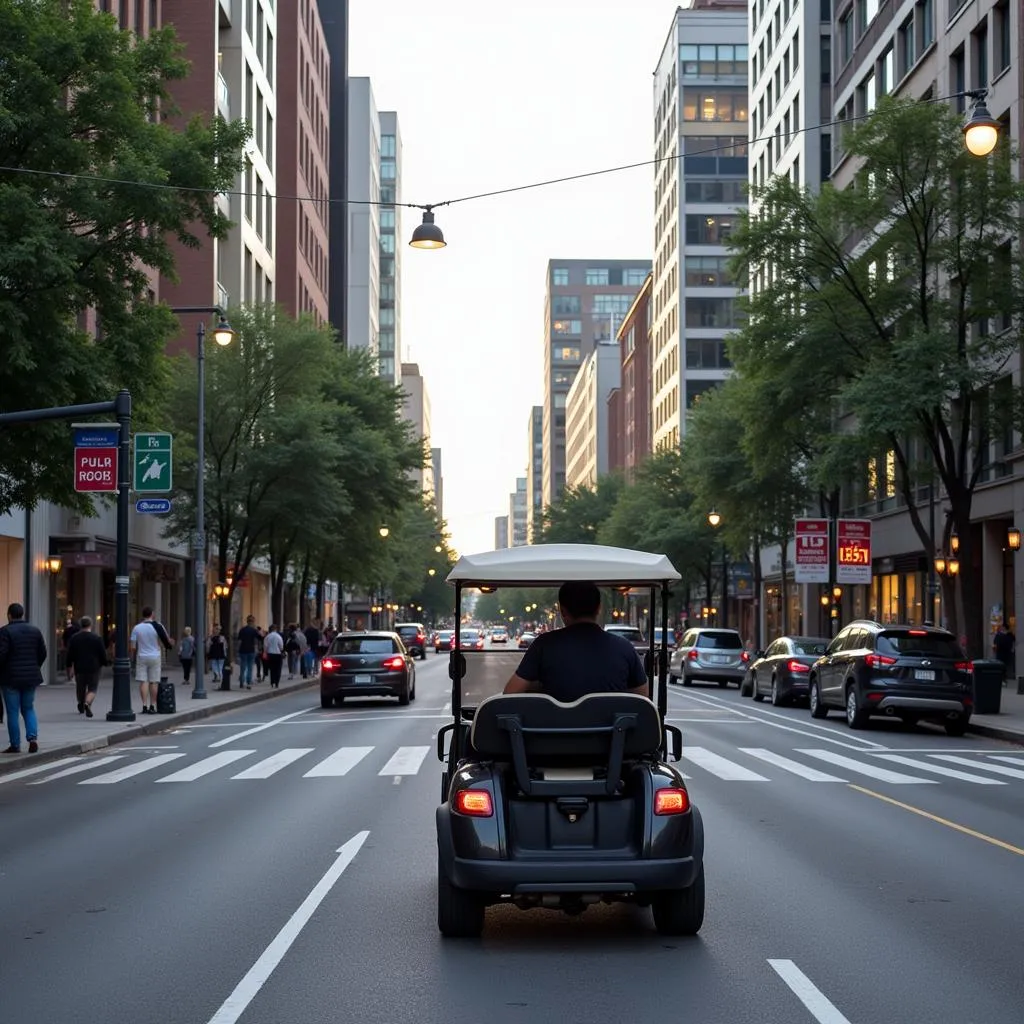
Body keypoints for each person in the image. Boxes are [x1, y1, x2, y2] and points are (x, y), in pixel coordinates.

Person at [504, 582, 649, 702]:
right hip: (612, 736)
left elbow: (509, 694)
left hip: (553, 736)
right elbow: (642, 699)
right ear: (599, 608)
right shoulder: (624, 647)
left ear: (562, 611)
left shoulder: (543, 645)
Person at [0, 602, 48, 753]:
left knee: (12, 712)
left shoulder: (4, 632)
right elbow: (43, 653)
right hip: (30, 677)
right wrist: (34, 666)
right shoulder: (34, 631)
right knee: (28, 708)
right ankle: (32, 738)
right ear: (22, 614)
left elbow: (1, 655)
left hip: (10, 678)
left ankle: (15, 744)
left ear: (9, 615)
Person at [129, 606, 173, 715]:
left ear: (143, 615)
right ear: (152, 614)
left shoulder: (136, 628)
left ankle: (144, 705)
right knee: (154, 681)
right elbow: (166, 640)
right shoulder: (158, 626)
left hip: (142, 656)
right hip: (155, 656)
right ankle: (153, 705)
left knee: (143, 681)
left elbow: (133, 647)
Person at [66, 615, 108, 717]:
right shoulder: (97, 638)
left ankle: (81, 702)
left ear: (81, 625)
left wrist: (69, 667)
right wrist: (104, 662)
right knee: (92, 688)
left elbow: (70, 655)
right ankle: (87, 703)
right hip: (94, 667)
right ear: (91, 625)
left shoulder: (74, 638)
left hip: (79, 667)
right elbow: (102, 653)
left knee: (80, 687)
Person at [237, 615, 261, 689]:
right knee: (250, 667)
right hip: (251, 650)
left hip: (243, 650)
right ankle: (248, 683)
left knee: (243, 667)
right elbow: (259, 638)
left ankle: (241, 682)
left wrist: (237, 650)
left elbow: (239, 641)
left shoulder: (242, 630)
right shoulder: (254, 631)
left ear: (247, 621)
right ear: (253, 622)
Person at [992, 620, 1016, 684]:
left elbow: (1013, 641)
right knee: (1000, 665)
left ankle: (1004, 678)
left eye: (1002, 627)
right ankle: (1001, 678)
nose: (1001, 628)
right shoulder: (999, 635)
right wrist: (995, 647)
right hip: (1000, 652)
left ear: (1005, 628)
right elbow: (995, 643)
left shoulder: (1009, 635)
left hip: (1006, 652)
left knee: (1004, 666)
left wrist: (1012, 649)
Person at [263, 624, 285, 688]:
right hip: (277, 654)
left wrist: (265, 652)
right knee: (278, 669)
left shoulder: (267, 637)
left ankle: (272, 682)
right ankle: (276, 682)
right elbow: (281, 646)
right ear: (275, 629)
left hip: (270, 654)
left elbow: (265, 646)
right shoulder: (278, 636)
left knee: (272, 669)